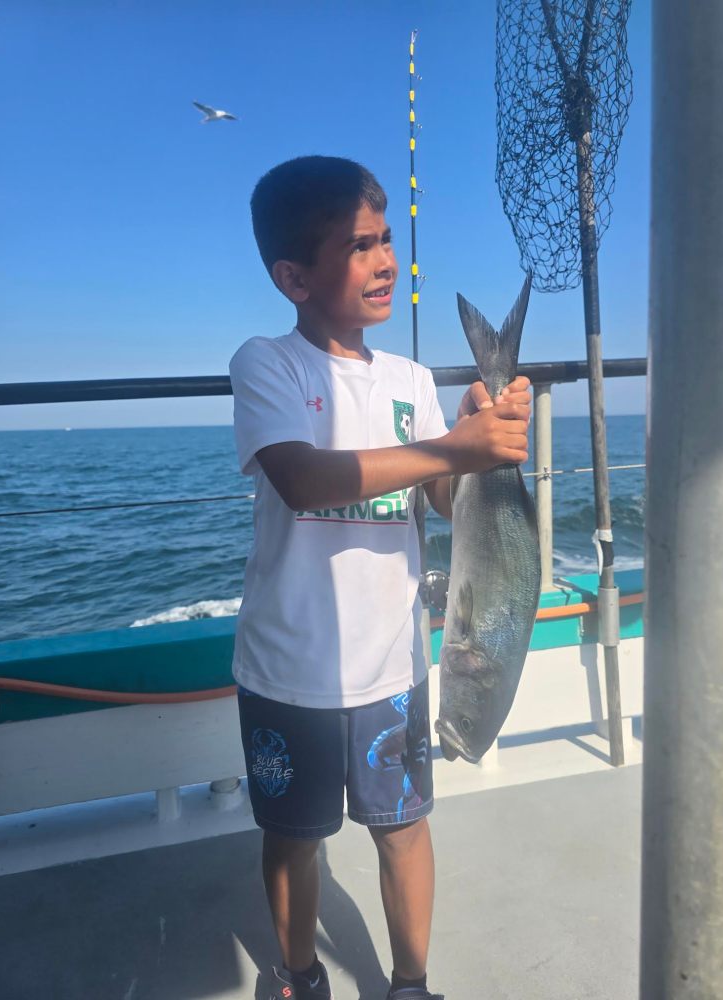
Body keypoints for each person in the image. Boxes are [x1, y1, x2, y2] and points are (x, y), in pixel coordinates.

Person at [229, 155, 531, 1000]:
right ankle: (296, 975)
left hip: (394, 670)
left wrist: (482, 437)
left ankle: (409, 983)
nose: (386, 261)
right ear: (293, 276)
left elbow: (438, 497)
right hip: (288, 671)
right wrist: (450, 449)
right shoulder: (267, 365)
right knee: (294, 838)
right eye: (359, 247)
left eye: (388, 240)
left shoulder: (408, 380)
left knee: (404, 832)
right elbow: (301, 477)